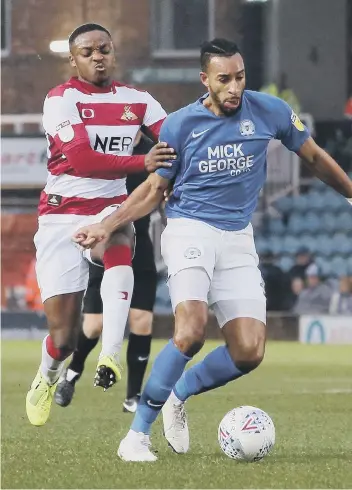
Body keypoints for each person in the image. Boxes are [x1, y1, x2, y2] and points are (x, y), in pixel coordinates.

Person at [73, 38, 352, 461]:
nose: (234, 87)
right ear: (206, 80)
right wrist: (107, 224)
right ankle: (136, 437)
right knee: (190, 332)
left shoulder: (270, 111)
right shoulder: (180, 125)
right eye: (224, 79)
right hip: (189, 231)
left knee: (249, 351)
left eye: (239, 77)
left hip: (238, 236)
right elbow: (153, 190)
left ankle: (177, 395)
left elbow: (312, 156)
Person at [25, 23, 174, 427]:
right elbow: (84, 161)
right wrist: (142, 163)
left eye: (104, 49)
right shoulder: (60, 100)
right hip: (60, 216)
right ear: (73, 60)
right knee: (64, 339)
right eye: (87, 51)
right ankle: (47, 376)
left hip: (109, 208)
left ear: (113, 52)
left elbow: (175, 141)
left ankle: (110, 352)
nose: (97, 56)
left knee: (121, 236)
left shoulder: (138, 100)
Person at [54, 133, 158, 413]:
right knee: (93, 326)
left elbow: (160, 190)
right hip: (104, 241)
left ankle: (133, 397)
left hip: (141, 243)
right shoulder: (103, 147)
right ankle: (72, 373)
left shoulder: (154, 152)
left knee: (141, 320)